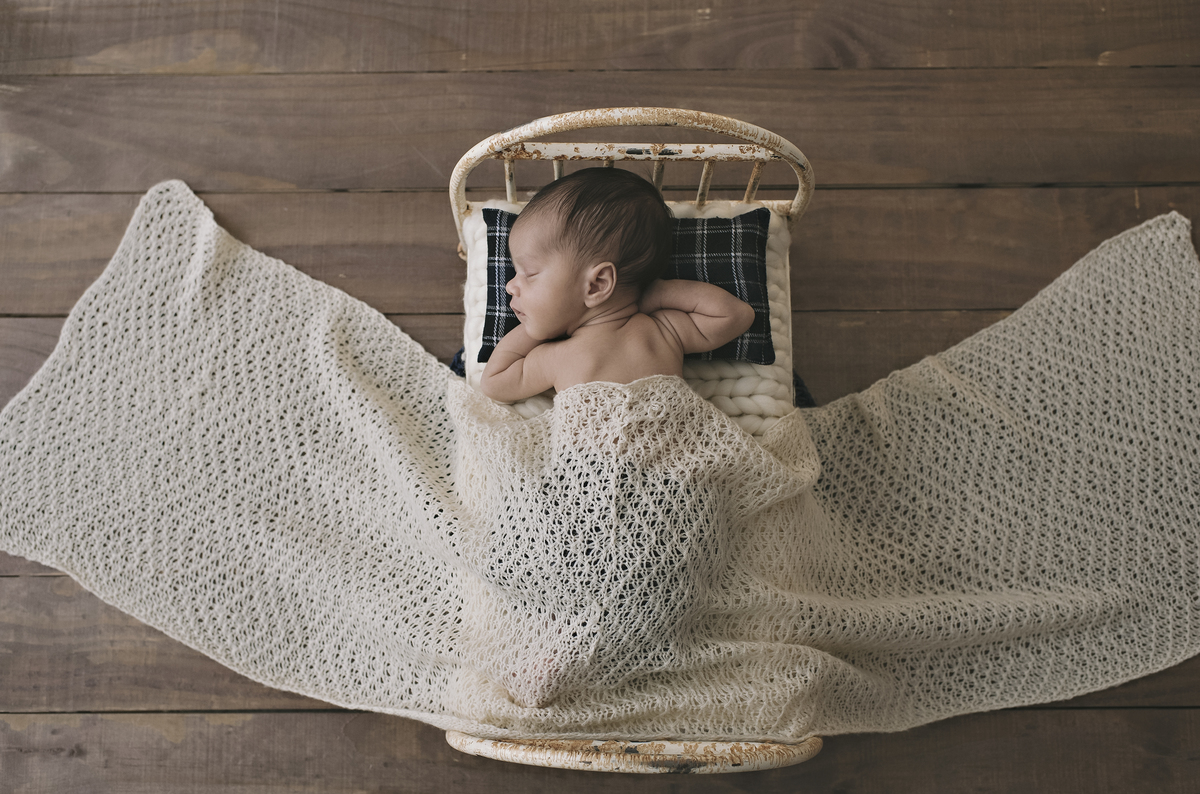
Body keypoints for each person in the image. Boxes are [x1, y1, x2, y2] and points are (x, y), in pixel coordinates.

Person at [480, 167, 755, 403]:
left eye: (528, 273)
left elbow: (737, 315)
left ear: (598, 284)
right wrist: (540, 323)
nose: (510, 286)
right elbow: (493, 386)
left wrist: (652, 293)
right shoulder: (660, 331)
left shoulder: (663, 329)